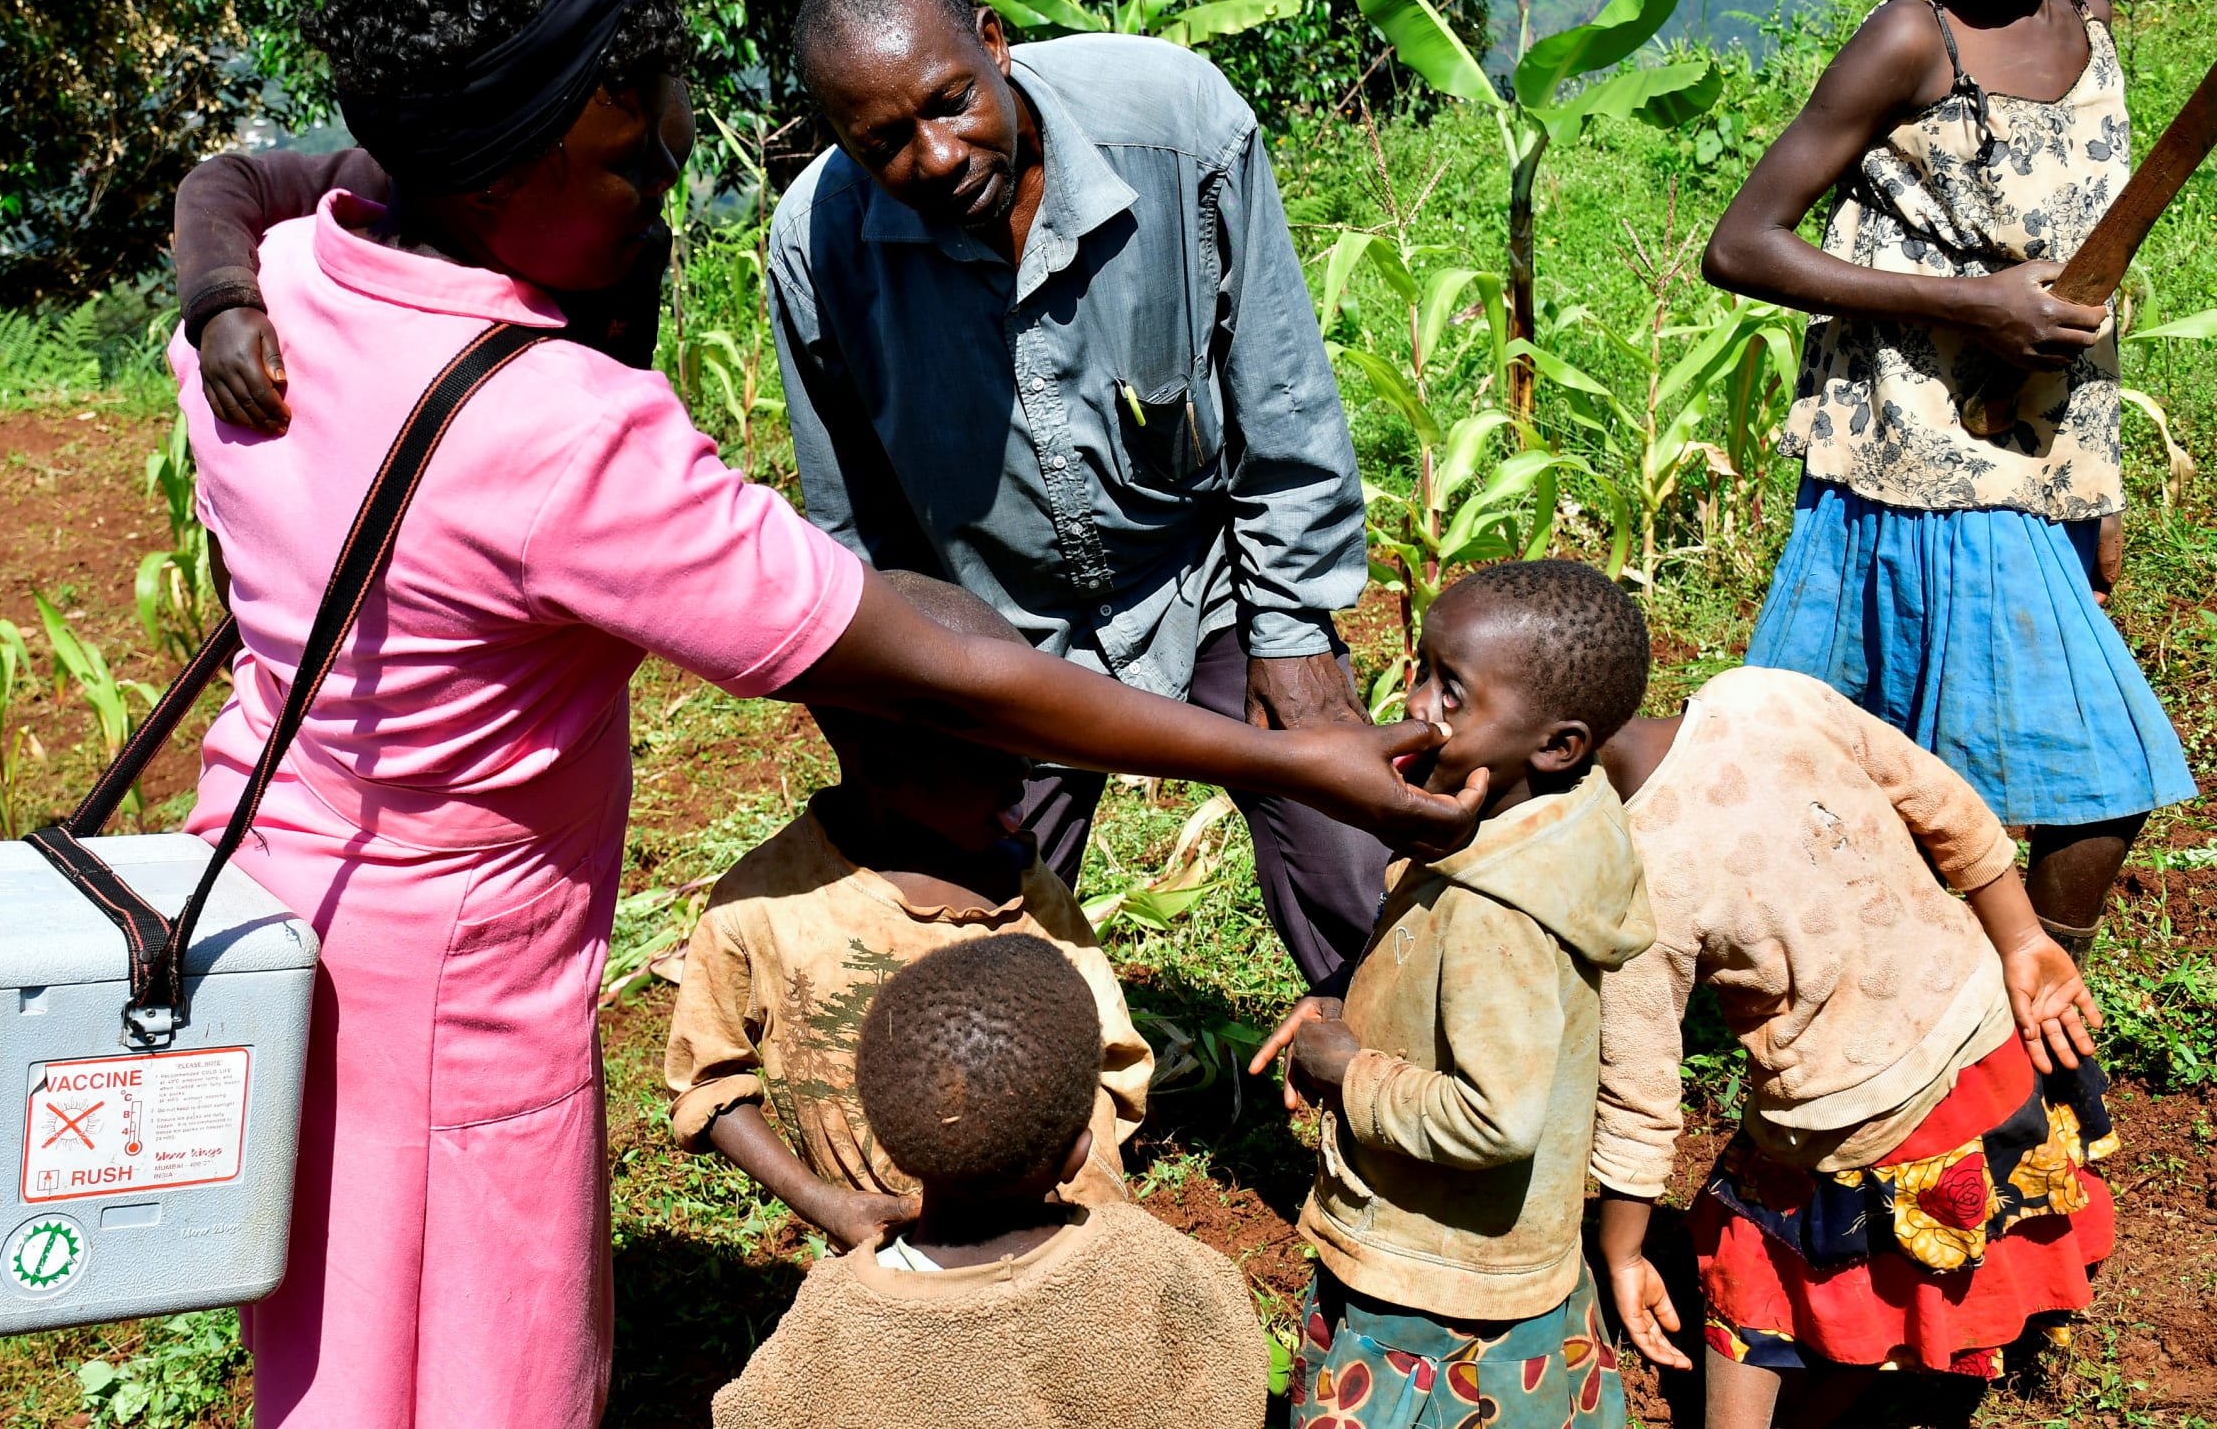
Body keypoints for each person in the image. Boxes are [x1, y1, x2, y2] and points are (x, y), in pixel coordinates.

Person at [173, 0, 1485, 1429]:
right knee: (489, 1366)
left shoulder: (284, 293)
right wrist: (1270, 752)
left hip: (275, 907)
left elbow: (244, 177)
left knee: (336, 1329)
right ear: (494, 170)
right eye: (636, 175)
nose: (665, 203)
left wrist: (210, 284)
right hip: (463, 975)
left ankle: (1412, 1136)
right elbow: (912, 636)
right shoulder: (567, 433)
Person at [166, 0, 1393, 1000]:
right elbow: (849, 522)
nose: (935, 153)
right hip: (999, 629)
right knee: (962, 959)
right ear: (836, 144)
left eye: (950, 102)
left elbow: (1280, 398)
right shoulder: (817, 241)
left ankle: (1405, 1199)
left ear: (993, 40)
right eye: (882, 141)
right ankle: (999, 1225)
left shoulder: (1174, 124)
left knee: (1355, 884)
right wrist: (901, 742)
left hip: (1203, 575)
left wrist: (1292, 636)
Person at [1703, 0, 2194, 969]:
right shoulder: (1912, 42)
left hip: (2032, 457)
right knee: (2100, 768)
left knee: (1917, 767)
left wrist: (2094, 494)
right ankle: (2032, 1003)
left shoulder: (2090, 25)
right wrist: (1975, 307)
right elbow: (1744, 245)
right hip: (1914, 457)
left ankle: (1925, 1011)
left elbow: (2076, 285)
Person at [1591, 667, 2115, 1427]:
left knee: (1758, 1275)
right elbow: (1941, 804)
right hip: (1988, 1038)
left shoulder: (1632, 873)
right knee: (1888, 1274)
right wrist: (2024, 938)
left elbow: (1638, 1093)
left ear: (1555, 749)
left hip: (1851, 1109)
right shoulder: (1763, 695)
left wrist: (1625, 1252)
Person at [1250, 562, 1657, 1429]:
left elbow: (1497, 1119)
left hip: (1436, 1291)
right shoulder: (1553, 821)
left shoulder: (1493, 913)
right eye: (1420, 668)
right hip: (1505, 1252)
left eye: (1452, 691)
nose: (1416, 700)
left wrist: (1351, 1073)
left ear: (1556, 746)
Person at [664, 572, 1152, 1248]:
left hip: (1070, 1247)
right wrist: (827, 1205)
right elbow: (707, 1084)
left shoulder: (1023, 884)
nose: (1023, 775)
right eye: (991, 756)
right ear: (886, 766)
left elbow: (1107, 1063)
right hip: (891, 1264)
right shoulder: (765, 907)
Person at [709, 935, 1270, 1429]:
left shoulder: (827, 1331)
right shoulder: (1159, 1274)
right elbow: (1226, 1387)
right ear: (1079, 1149)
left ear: (889, 1134)